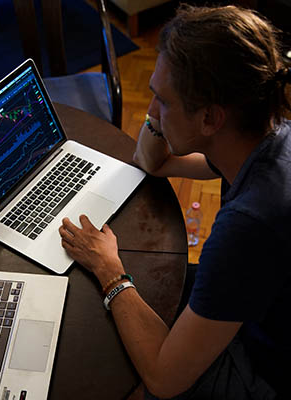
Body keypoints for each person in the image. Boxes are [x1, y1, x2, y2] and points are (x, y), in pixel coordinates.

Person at [59, 4, 291, 399]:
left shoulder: (248, 223)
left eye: (162, 101)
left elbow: (165, 380)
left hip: (268, 369)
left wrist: (108, 269)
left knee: (126, 368)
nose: (150, 111)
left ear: (210, 120)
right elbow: (155, 161)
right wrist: (160, 114)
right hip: (263, 306)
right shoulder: (264, 134)